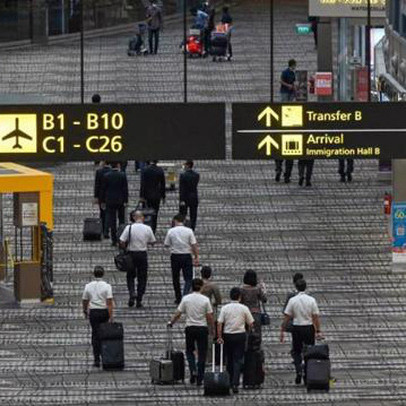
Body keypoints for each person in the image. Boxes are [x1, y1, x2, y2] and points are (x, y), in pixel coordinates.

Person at [168, 278, 215, 386]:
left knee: (190, 351)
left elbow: (178, 313)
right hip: (202, 328)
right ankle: (200, 376)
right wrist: (212, 329)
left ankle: (193, 369)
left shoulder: (186, 299)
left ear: (191, 287)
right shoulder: (205, 300)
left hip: (190, 328)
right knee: (202, 353)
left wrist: (171, 322)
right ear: (202, 287)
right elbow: (209, 316)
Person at [280, 279, 323, 385]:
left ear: (296, 287)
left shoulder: (293, 300)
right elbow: (315, 317)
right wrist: (318, 330)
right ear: (305, 287)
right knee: (309, 351)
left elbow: (287, 316)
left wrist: (282, 330)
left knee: (296, 351)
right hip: (308, 327)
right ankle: (307, 373)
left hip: (297, 328)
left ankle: (299, 370)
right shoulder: (311, 300)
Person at [217, 287, 254, 394]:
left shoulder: (225, 308)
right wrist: (249, 332)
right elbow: (251, 323)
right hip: (240, 335)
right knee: (238, 360)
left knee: (229, 359)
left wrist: (219, 336)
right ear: (240, 297)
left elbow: (219, 323)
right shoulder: (244, 308)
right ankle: (235, 383)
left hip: (227, 335)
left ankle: (228, 381)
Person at [119, 210, 156, 309]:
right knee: (142, 277)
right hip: (142, 254)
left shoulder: (129, 227)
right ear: (142, 218)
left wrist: (125, 249)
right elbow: (153, 241)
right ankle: (139, 299)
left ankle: (132, 293)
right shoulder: (147, 228)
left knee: (130, 275)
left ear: (134, 217)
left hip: (131, 254)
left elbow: (122, 241)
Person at [82, 266, 113, 368]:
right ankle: (106, 356)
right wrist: (111, 315)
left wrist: (85, 310)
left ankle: (96, 359)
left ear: (94, 274)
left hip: (94, 312)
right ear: (103, 274)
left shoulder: (88, 286)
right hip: (104, 312)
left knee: (95, 334)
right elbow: (109, 302)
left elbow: (85, 300)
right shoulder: (107, 286)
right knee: (104, 334)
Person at [164, 214, 199, 305]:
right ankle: (185, 295)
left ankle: (178, 297)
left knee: (175, 278)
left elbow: (166, 244)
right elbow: (194, 244)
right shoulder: (189, 231)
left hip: (175, 256)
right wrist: (196, 256)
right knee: (188, 278)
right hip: (186, 255)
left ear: (175, 220)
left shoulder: (171, 231)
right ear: (183, 221)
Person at [100, 162, 128, 246]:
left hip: (110, 201)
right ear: (118, 165)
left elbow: (103, 190)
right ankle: (121, 238)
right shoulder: (122, 175)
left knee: (112, 220)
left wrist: (102, 201)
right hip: (120, 200)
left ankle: (114, 240)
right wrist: (126, 200)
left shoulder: (106, 176)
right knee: (121, 219)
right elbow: (125, 189)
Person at [240, 270, 267, 349]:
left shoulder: (241, 289)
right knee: (257, 334)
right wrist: (264, 289)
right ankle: (256, 351)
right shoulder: (257, 289)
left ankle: (246, 350)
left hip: (244, 314)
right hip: (256, 313)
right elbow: (264, 299)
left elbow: (240, 301)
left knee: (245, 333)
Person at [140, 160, 165, 234]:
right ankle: (153, 229)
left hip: (146, 195)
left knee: (146, 213)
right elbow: (162, 184)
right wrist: (163, 196)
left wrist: (141, 196)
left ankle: (146, 228)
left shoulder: (145, 170)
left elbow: (143, 184)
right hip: (156, 195)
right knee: (155, 213)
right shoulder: (160, 170)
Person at [179, 160, 200, 231]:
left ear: (187, 165)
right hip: (194, 197)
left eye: (185, 165)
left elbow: (181, 189)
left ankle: (183, 228)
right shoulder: (196, 175)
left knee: (183, 214)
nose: (184, 166)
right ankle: (192, 229)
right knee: (193, 215)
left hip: (185, 197)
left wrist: (181, 199)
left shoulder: (183, 175)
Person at [94, 161, 111, 239]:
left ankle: (103, 229)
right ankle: (107, 230)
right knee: (110, 213)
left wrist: (96, 196)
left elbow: (97, 185)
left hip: (102, 197)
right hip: (111, 197)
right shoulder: (112, 171)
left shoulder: (99, 172)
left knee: (102, 213)